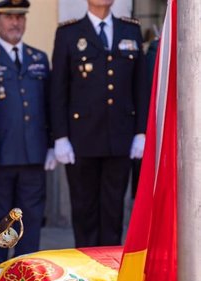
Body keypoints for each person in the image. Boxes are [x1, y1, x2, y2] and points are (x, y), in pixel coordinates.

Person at [51, 0, 147, 247]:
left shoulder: (131, 30)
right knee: (85, 213)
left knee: (114, 214)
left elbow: (141, 86)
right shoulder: (68, 33)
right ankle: (86, 276)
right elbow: (58, 89)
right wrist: (60, 137)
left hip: (120, 139)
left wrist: (141, 132)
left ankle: (110, 276)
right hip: (81, 141)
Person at [0, 0, 54, 267]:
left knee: (31, 223)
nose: (15, 23)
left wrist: (53, 145)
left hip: (34, 155)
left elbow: (50, 104)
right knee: (0, 223)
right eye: (9, 17)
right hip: (0, 158)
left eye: (20, 17)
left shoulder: (39, 58)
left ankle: (27, 277)